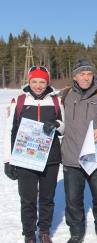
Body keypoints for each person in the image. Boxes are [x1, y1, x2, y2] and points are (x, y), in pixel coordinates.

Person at [4, 66, 64, 243]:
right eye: (35, 81)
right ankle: (29, 235)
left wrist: (56, 123)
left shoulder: (56, 102)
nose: (38, 86)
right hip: (24, 158)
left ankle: (44, 231)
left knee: (47, 198)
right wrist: (8, 160)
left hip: (50, 159)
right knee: (28, 199)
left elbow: (64, 127)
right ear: (29, 82)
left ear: (48, 82)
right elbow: (9, 131)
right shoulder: (19, 102)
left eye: (42, 82)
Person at [60, 59, 97, 243]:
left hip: (95, 157)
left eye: (89, 74)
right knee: (73, 199)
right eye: (82, 74)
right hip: (71, 156)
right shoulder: (64, 95)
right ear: (74, 76)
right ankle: (76, 232)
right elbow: (59, 122)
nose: (85, 77)